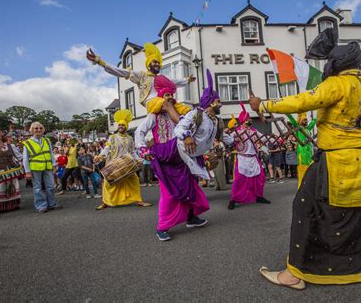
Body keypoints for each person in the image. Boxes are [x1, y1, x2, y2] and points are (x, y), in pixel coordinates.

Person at [250, 30, 361, 289]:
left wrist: (263, 105)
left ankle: (294, 275)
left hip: (336, 161)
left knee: (305, 208)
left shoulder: (335, 84)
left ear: (336, 64)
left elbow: (302, 101)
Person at [135, 70, 220, 241]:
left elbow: (191, 131)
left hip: (181, 156)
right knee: (169, 193)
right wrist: (143, 150)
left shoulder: (181, 115)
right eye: (165, 95)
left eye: (170, 95)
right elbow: (139, 132)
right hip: (165, 156)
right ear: (160, 97)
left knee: (190, 186)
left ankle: (191, 217)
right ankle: (162, 227)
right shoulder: (154, 116)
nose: (168, 98)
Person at [87, 43, 194, 115]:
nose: (157, 64)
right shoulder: (141, 75)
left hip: (164, 103)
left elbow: (175, 82)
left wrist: (187, 80)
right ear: (149, 65)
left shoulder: (162, 78)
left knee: (179, 106)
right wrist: (100, 62)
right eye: (154, 62)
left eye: (158, 62)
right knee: (166, 104)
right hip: (151, 104)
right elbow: (121, 72)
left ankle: (192, 116)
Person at [95, 109, 151, 210]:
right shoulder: (112, 137)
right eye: (119, 125)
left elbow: (133, 151)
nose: (121, 126)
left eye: (123, 125)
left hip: (127, 163)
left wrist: (139, 160)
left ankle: (139, 200)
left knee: (134, 180)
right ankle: (105, 202)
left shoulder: (130, 138)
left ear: (126, 126)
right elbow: (107, 148)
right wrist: (100, 156)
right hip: (114, 163)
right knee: (108, 183)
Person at [224, 102, 270, 210]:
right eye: (247, 120)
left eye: (250, 120)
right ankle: (233, 199)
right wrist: (233, 138)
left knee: (260, 177)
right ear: (243, 121)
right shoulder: (237, 132)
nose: (250, 122)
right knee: (239, 179)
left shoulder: (254, 131)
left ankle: (259, 196)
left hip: (254, 158)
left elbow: (263, 138)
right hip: (242, 158)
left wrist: (273, 142)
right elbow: (228, 140)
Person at [22, 122, 63, 213]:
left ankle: (52, 204)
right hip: (35, 168)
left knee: (50, 186)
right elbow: (25, 158)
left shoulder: (46, 140)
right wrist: (27, 171)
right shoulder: (28, 143)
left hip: (47, 167)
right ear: (32, 130)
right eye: (36, 128)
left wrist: (54, 165)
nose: (39, 130)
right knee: (37, 188)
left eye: (40, 128)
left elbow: (51, 154)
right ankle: (41, 206)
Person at [0, 133, 24, 212]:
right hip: (0, 171)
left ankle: (13, 205)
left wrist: (23, 163)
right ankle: (0, 207)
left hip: (12, 170)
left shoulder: (11, 146)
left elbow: (19, 156)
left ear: (0, 139)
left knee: (12, 186)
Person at [286, 113, 316, 187]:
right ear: (300, 121)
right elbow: (292, 120)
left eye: (307, 120)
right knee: (303, 170)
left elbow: (314, 121)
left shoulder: (307, 129)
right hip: (302, 153)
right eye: (304, 120)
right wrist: (287, 113)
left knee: (310, 170)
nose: (306, 121)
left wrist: (320, 113)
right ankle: (302, 187)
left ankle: (309, 186)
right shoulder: (298, 128)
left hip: (309, 153)